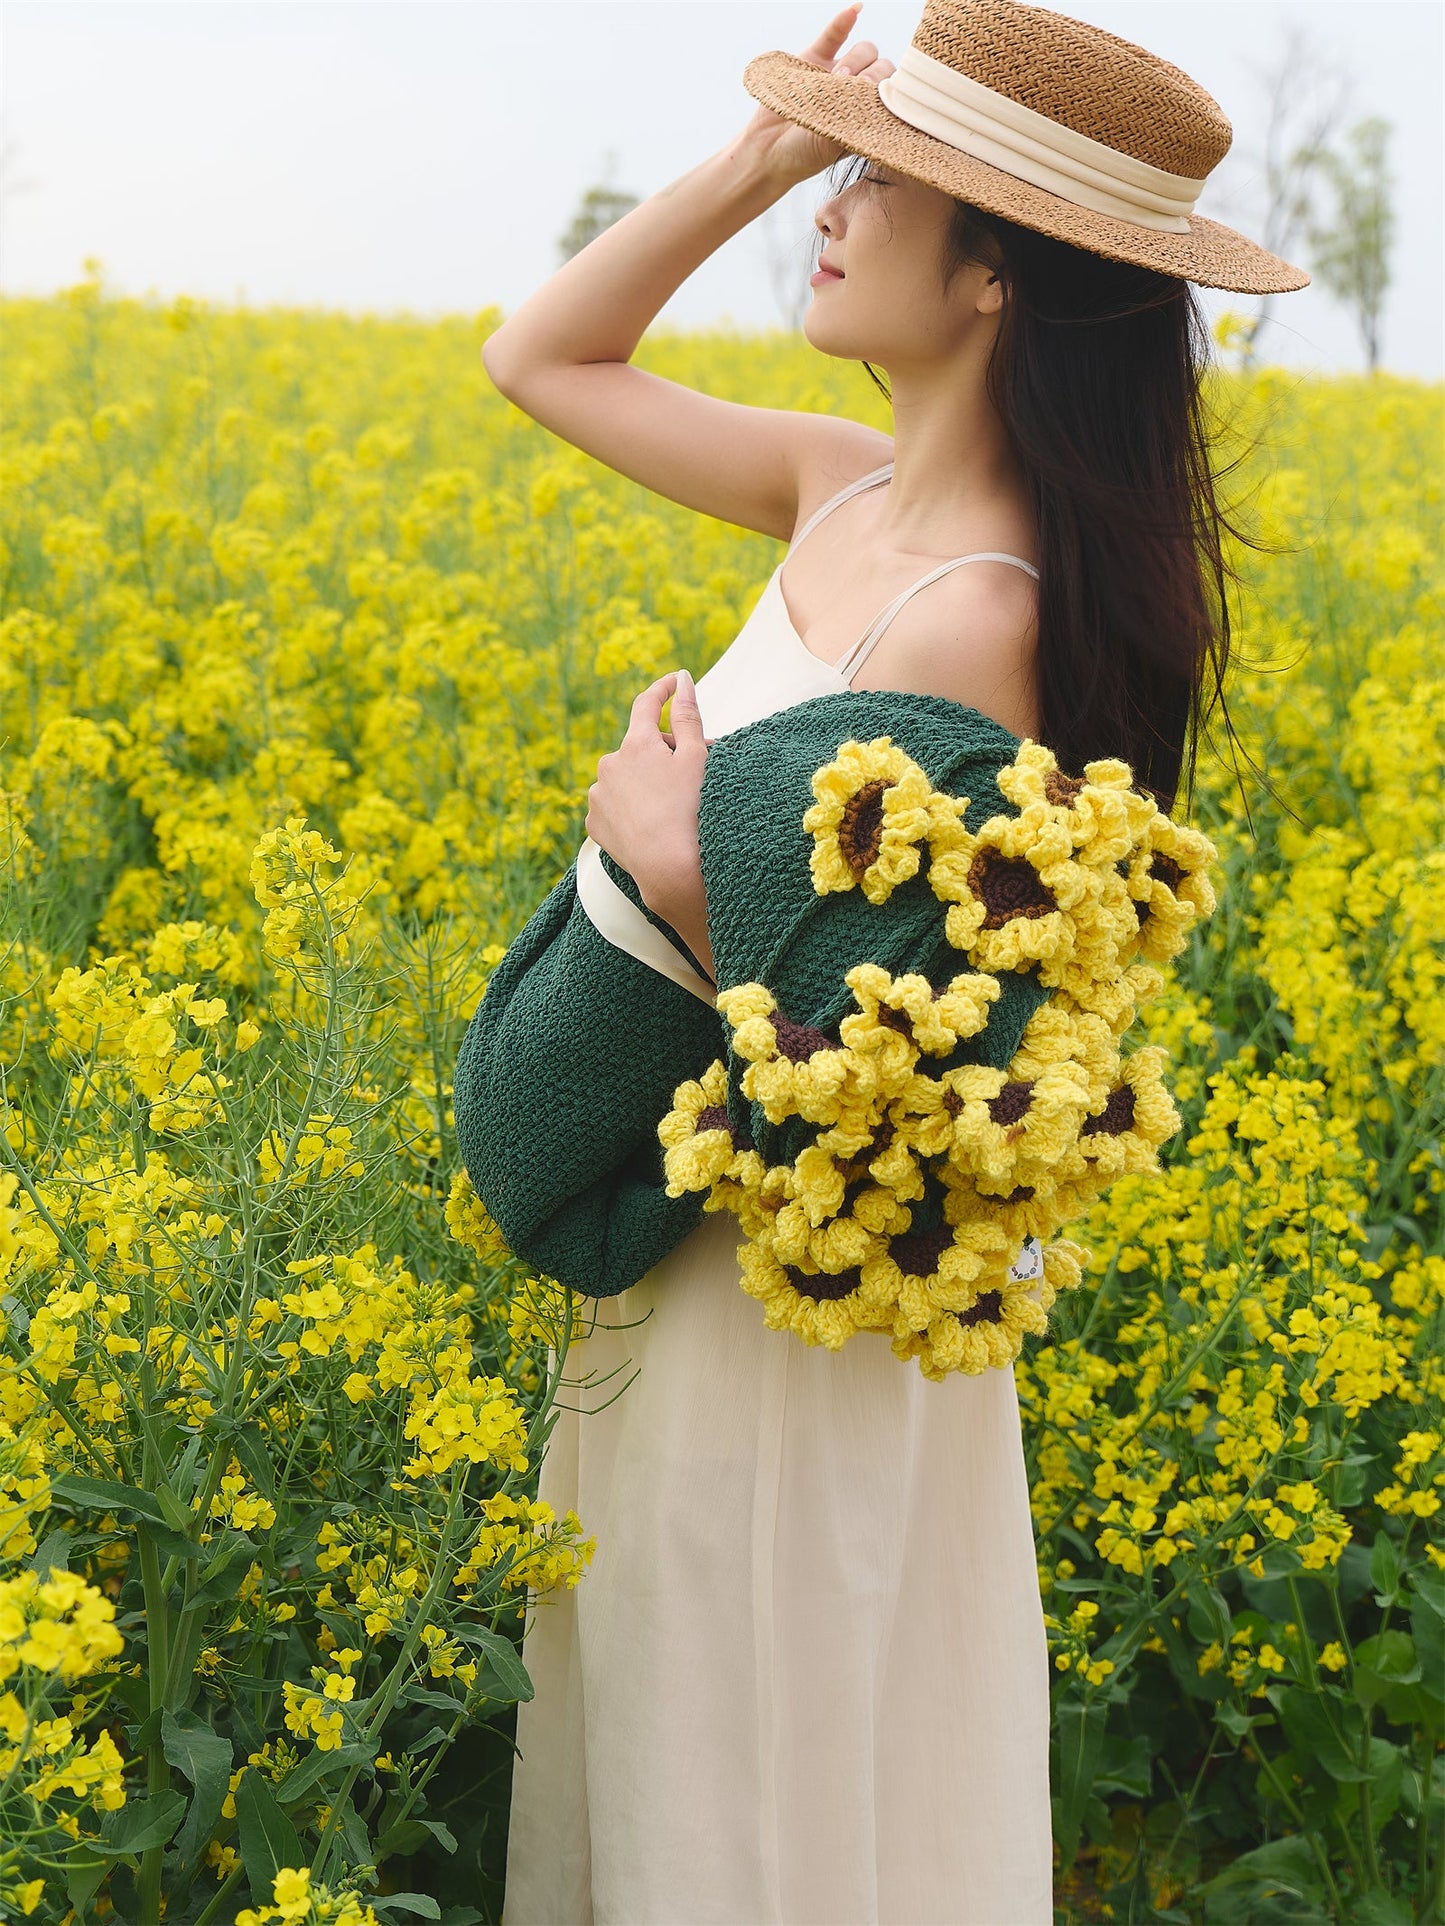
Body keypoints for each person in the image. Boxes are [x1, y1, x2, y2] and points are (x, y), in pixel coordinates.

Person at [480, 4, 1307, 1920]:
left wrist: (674, 866)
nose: (831, 214)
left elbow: (906, 1063)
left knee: (752, 1758)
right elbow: (540, 355)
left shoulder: (983, 620)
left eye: (880, 185)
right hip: (688, 1254)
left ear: (999, 269)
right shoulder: (836, 492)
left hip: (792, 1302)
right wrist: (761, 152)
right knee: (686, 1730)